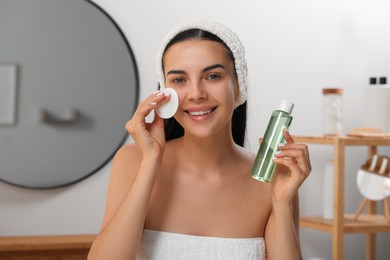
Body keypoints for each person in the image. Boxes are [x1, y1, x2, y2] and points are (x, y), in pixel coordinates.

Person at [88, 19, 311, 260]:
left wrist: (281, 203)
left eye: (213, 76)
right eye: (179, 80)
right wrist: (151, 162)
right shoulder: (133, 161)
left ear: (238, 85)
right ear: (165, 93)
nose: (196, 94)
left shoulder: (270, 177)